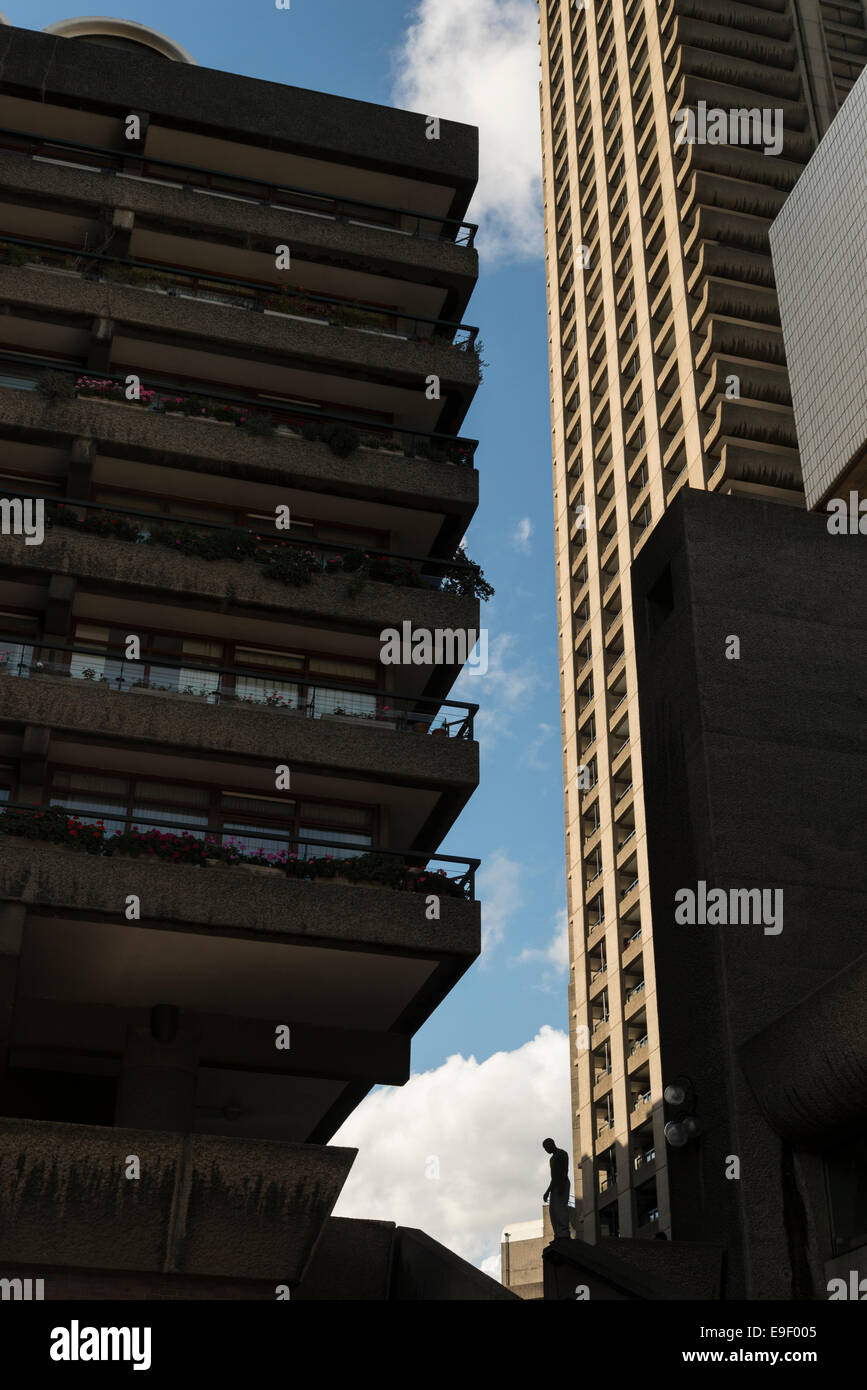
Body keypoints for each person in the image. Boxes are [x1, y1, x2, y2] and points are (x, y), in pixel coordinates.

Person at [542, 1137, 572, 1240]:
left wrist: (562, 1185)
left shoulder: (562, 1153)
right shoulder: (552, 1159)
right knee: (553, 1211)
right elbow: (553, 1178)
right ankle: (558, 1233)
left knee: (560, 1208)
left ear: (552, 1144)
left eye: (546, 1147)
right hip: (555, 1186)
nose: (546, 1150)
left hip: (562, 1184)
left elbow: (565, 1169)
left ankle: (564, 1232)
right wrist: (547, 1192)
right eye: (545, 1148)